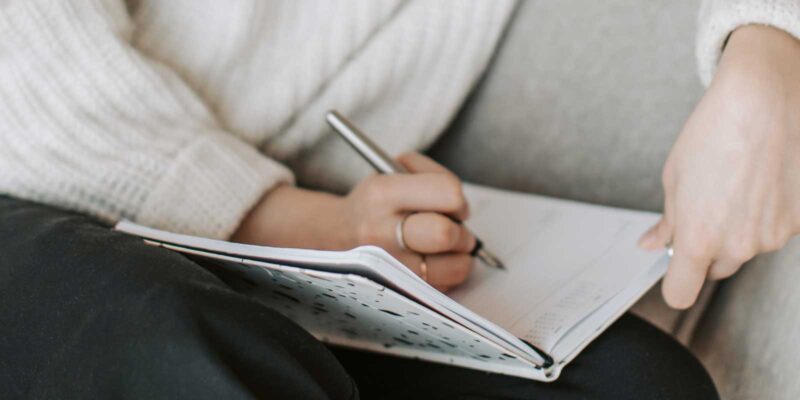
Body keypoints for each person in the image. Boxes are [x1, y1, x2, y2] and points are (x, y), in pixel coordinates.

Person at [1, 0, 790, 398]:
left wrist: (769, 46)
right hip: (54, 168)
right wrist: (290, 220)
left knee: (638, 386)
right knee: (191, 361)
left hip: (322, 211)